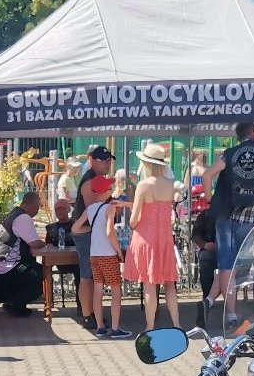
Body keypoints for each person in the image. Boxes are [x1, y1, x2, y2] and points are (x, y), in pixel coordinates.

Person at [202, 122, 254, 325]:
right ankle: (220, 303)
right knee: (243, 265)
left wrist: (209, 198)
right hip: (252, 217)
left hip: (225, 216)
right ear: (252, 132)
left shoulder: (229, 154)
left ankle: (230, 313)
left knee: (227, 267)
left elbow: (207, 175)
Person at [124, 143, 180, 331]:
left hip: (146, 240)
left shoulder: (144, 185)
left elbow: (133, 220)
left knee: (149, 285)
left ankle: (150, 326)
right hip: (165, 240)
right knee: (170, 284)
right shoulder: (171, 184)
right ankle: (177, 324)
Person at [69, 145, 115, 330]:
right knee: (87, 276)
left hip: (90, 233)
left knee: (93, 276)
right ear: (92, 161)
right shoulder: (90, 181)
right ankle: (88, 315)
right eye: (103, 160)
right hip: (86, 234)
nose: (107, 163)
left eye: (109, 160)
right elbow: (92, 212)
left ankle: (92, 313)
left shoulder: (98, 180)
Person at [84, 176, 130, 339]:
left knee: (98, 290)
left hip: (94, 254)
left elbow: (76, 227)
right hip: (108, 254)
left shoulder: (90, 209)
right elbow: (110, 231)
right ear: (106, 192)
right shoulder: (108, 208)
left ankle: (100, 327)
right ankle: (116, 328)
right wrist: (118, 250)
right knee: (116, 290)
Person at [0, 191, 46, 316]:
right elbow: (34, 243)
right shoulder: (23, 217)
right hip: (5, 268)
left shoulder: (13, 214)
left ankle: (15, 302)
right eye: (38, 206)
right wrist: (46, 243)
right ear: (32, 205)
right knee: (42, 274)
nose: (37, 210)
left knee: (35, 269)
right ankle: (14, 304)